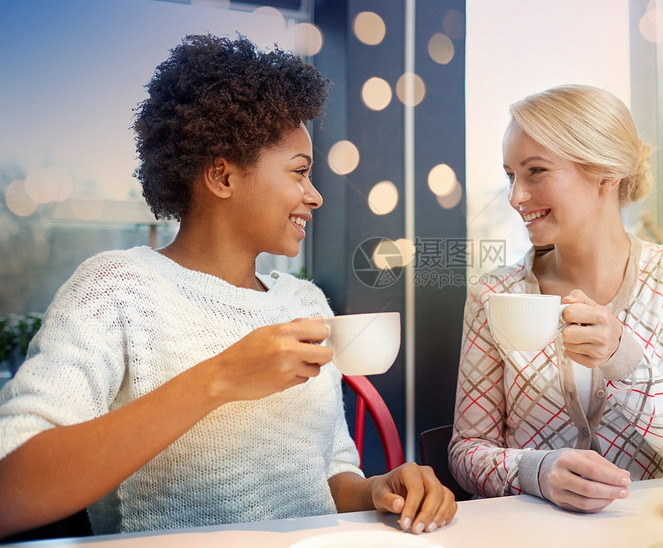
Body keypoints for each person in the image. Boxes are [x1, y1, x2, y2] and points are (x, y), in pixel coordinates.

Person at [0, 34, 456, 539]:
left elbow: (326, 475)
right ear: (221, 175)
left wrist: (375, 490)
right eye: (299, 173)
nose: (316, 195)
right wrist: (220, 378)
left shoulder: (303, 301)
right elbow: (12, 490)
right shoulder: (117, 289)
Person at [449, 85, 663, 513]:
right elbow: (466, 451)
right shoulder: (493, 293)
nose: (516, 197)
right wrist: (536, 472)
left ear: (606, 174)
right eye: (510, 175)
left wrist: (622, 358)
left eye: (535, 171)